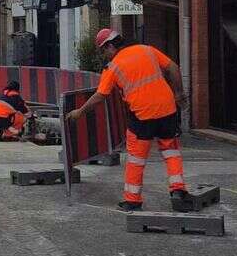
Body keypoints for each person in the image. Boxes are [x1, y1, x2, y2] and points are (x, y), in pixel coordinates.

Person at [66, 28, 194, 212]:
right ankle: (178, 192)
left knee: (136, 158)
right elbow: (173, 68)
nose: (104, 56)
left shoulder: (113, 67)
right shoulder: (147, 50)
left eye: (103, 51)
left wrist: (80, 111)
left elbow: (100, 95)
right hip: (167, 110)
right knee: (171, 151)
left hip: (142, 116)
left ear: (110, 46)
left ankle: (133, 199)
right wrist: (179, 93)